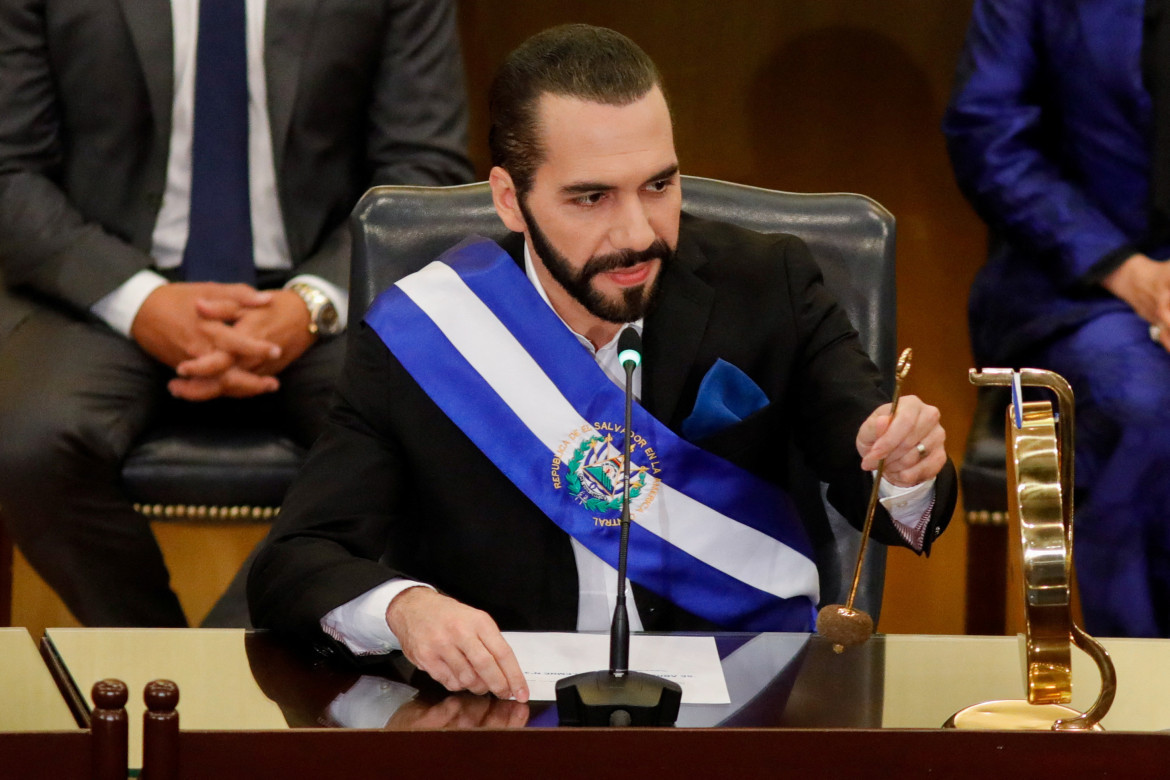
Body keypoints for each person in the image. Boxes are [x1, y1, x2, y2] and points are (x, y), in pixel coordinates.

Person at [249, 24, 956, 702]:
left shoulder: (770, 286)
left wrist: (906, 471)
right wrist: (406, 609)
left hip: (736, 708)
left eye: (658, 186)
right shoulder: (431, 330)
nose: (637, 233)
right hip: (499, 717)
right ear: (510, 199)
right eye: (591, 197)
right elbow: (294, 561)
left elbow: (885, 500)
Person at [0, 0, 474, 627]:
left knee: (419, 430)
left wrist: (310, 303)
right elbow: (10, 170)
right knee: (27, 441)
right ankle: (155, 661)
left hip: (323, 283)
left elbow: (425, 167)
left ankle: (220, 671)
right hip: (104, 281)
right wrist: (139, 301)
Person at [943, 0, 1170, 637]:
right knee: (1142, 405)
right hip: (1081, 282)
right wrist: (1134, 275)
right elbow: (987, 134)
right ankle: (1145, 702)